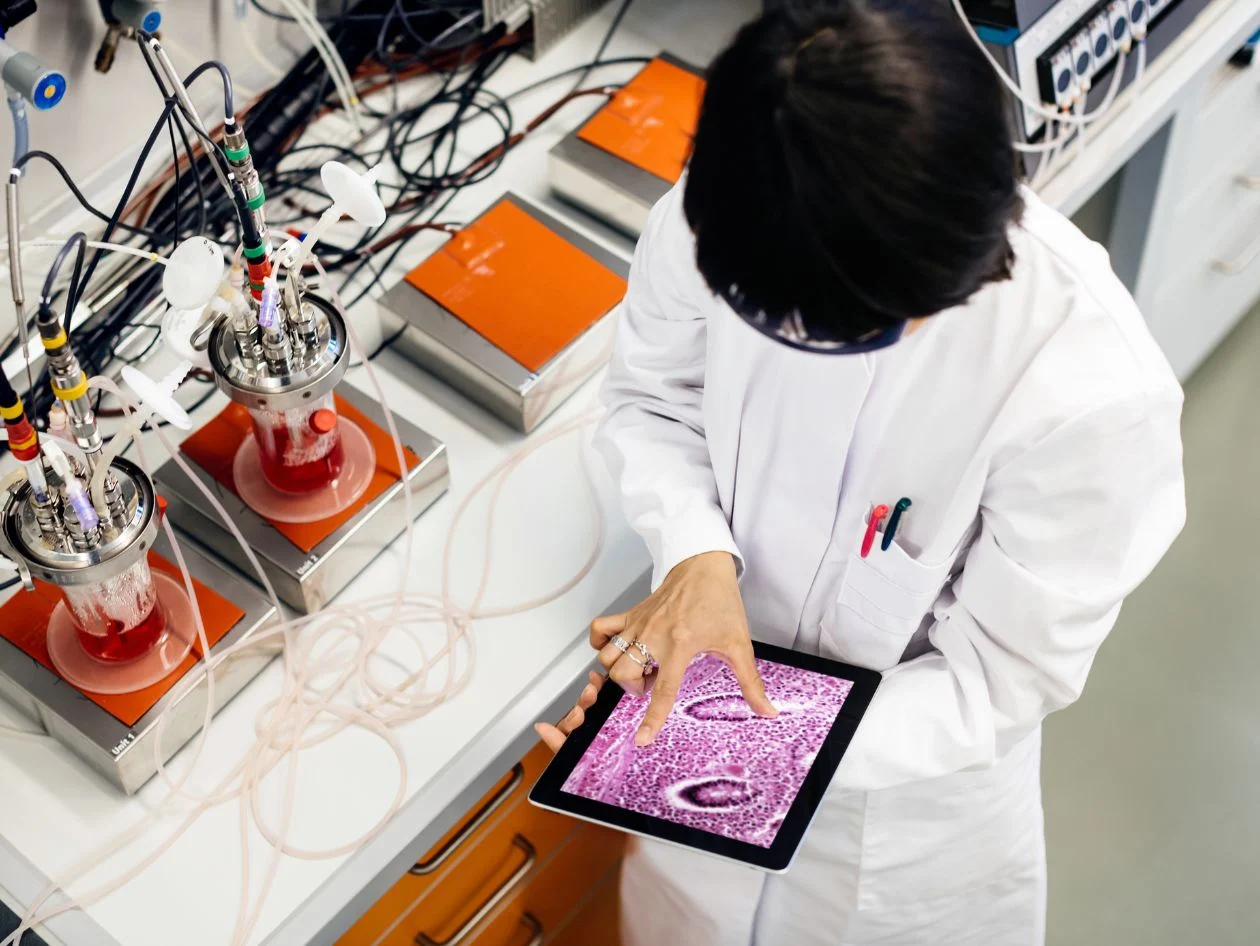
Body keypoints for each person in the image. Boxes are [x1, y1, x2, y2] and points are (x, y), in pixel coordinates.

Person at [535, 1, 1186, 943]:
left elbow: (994, 683)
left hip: (896, 826)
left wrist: (720, 741)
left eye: (852, 333)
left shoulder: (1088, 391)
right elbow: (654, 398)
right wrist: (696, 557)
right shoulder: (734, 204)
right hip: (701, 776)